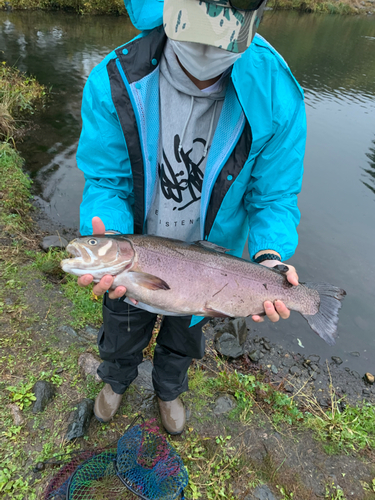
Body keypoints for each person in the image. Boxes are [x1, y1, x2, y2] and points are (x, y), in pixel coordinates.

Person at [76, 0, 306, 435]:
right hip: (135, 257)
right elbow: (106, 179)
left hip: (210, 264)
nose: (205, 54)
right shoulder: (115, 77)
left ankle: (168, 390)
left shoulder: (277, 94)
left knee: (184, 339)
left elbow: (273, 196)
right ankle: (115, 381)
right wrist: (101, 233)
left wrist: (270, 257)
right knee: (121, 329)